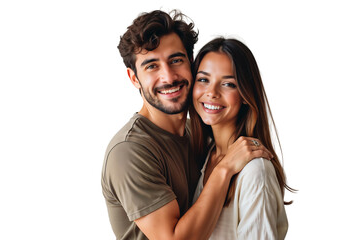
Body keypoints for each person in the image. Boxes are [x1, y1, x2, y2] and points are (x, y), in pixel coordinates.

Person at [101, 10, 271, 240]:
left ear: (191, 63)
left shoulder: (200, 136)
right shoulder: (129, 151)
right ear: (134, 78)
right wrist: (224, 168)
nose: (168, 77)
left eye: (176, 60)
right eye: (152, 66)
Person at [190, 37, 294, 239]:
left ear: (246, 94)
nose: (211, 92)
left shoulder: (255, 171)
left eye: (228, 84)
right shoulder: (205, 153)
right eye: (203, 80)